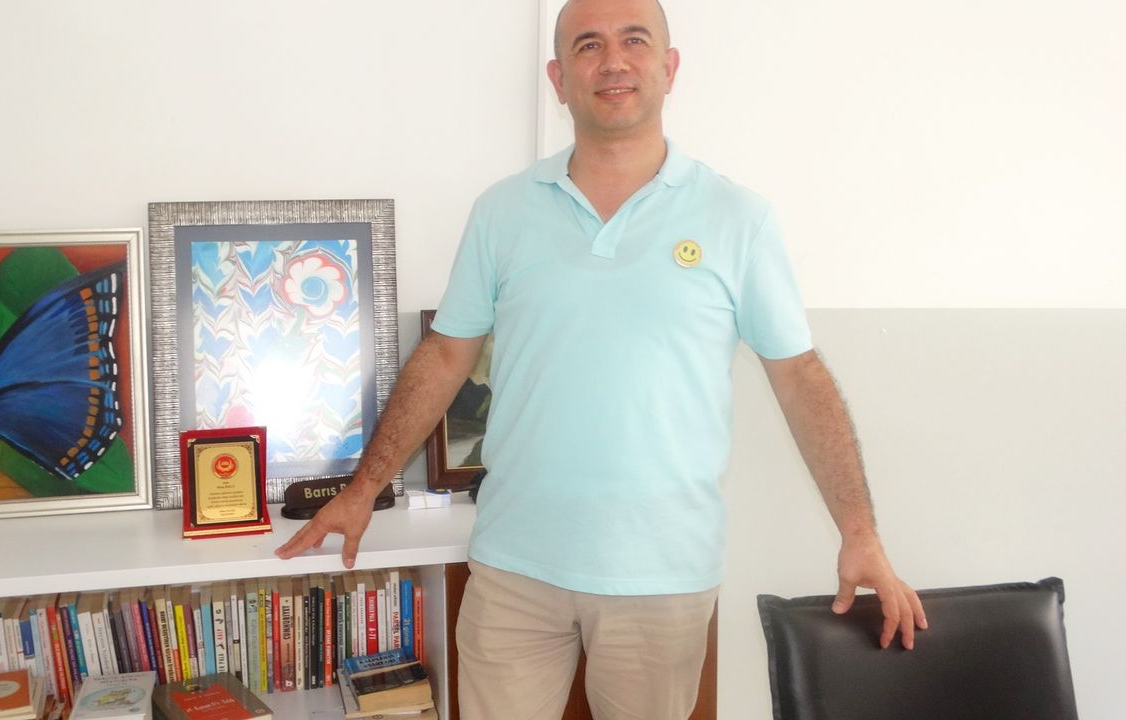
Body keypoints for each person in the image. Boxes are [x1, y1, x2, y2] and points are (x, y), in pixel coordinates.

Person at [277, 0, 928, 716]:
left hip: (663, 578)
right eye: (588, 45)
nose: (613, 61)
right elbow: (443, 356)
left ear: (669, 68)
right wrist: (364, 487)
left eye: (634, 41)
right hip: (514, 568)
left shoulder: (737, 218)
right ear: (559, 79)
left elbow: (799, 377)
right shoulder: (502, 211)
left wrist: (859, 531)